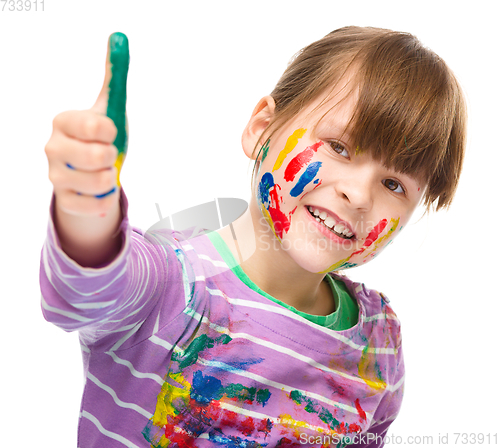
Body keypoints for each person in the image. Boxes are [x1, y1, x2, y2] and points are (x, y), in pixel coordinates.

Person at [40, 26, 466, 447]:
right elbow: (85, 289)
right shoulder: (169, 285)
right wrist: (86, 207)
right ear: (262, 126)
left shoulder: (378, 345)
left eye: (394, 185)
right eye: (338, 146)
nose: (357, 195)